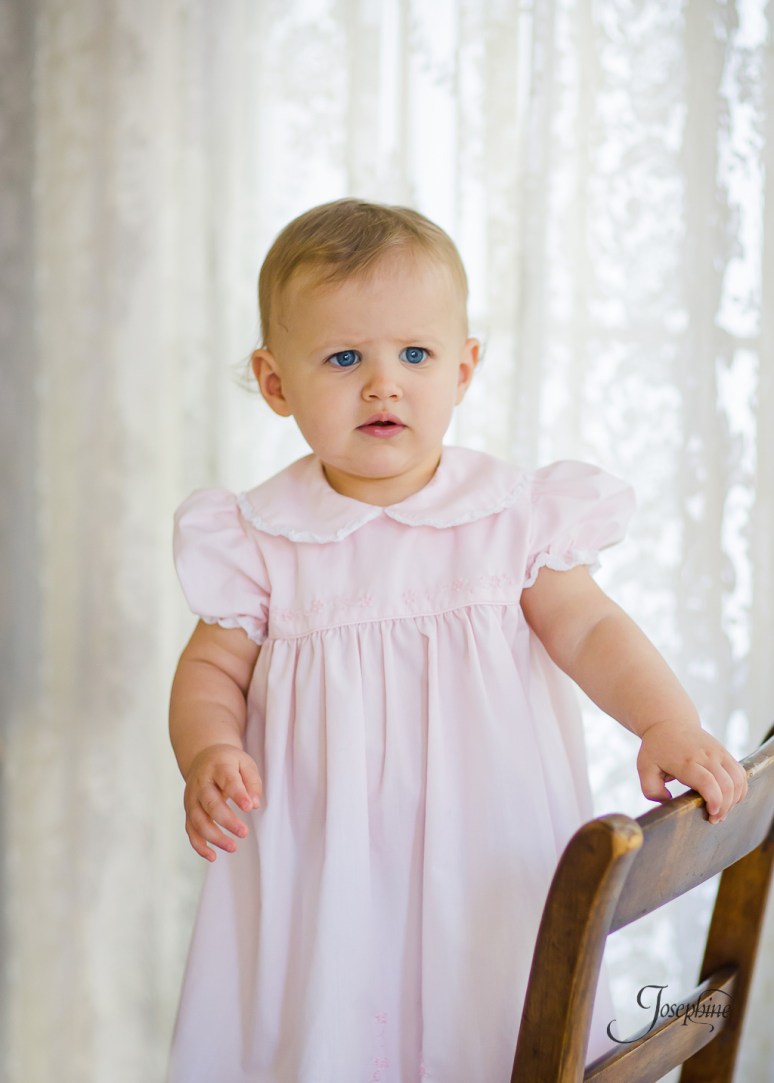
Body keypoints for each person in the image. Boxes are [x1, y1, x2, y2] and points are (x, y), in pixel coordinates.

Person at [167, 198, 747, 1082]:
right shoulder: (263, 538)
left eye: (414, 354)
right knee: (332, 1021)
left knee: (494, 1013)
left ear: (464, 367)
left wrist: (664, 719)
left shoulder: (506, 516)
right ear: (277, 381)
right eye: (344, 357)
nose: (383, 382)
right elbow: (211, 666)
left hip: (488, 850)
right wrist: (207, 748)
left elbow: (590, 626)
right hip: (327, 860)